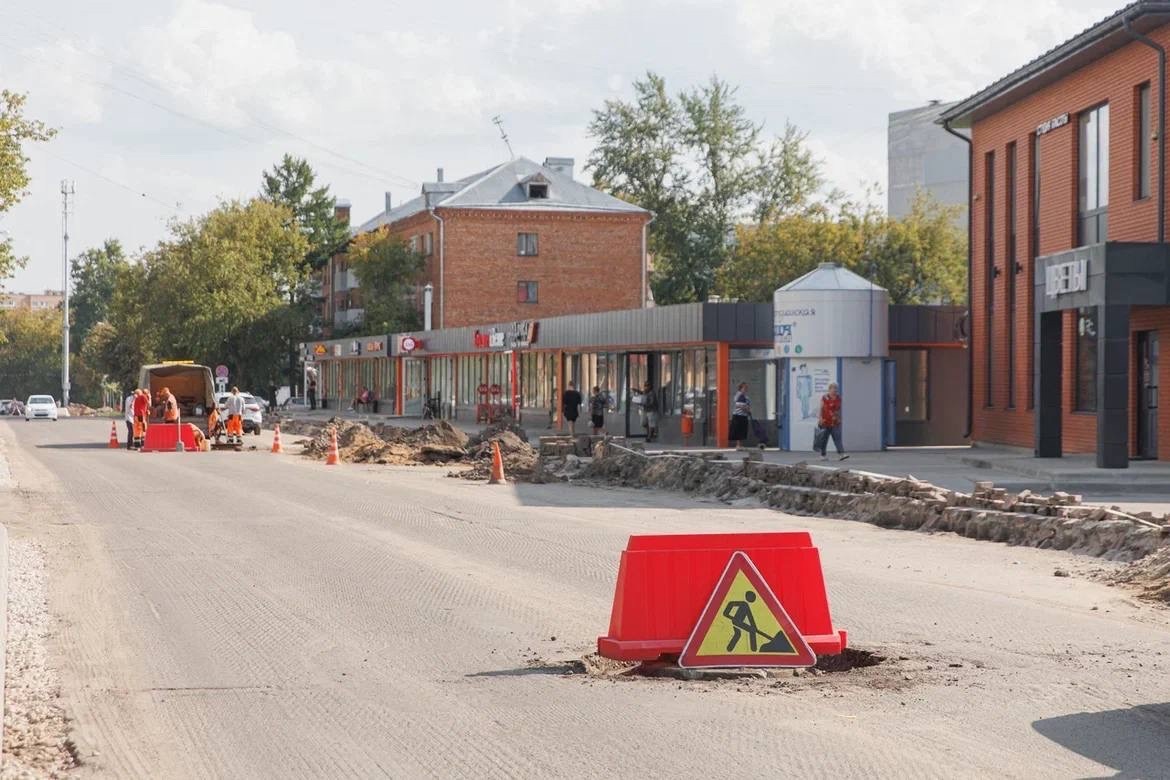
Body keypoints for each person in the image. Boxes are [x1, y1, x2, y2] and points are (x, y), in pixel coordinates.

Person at [815, 382, 848, 461]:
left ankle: (841, 454)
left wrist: (839, 418)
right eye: (833, 389)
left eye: (836, 389)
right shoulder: (825, 397)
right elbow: (821, 408)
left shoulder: (838, 398)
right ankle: (823, 455)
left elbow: (838, 409)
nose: (835, 391)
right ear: (829, 389)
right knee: (824, 439)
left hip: (835, 422)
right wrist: (820, 418)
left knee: (837, 438)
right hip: (825, 421)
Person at [730, 382, 751, 449]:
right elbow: (739, 405)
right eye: (744, 388)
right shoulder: (740, 395)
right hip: (739, 415)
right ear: (740, 388)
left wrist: (748, 410)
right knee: (739, 430)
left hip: (743, 415)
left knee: (742, 430)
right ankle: (738, 445)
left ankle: (740, 445)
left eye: (746, 387)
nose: (746, 389)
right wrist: (747, 410)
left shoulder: (743, 396)